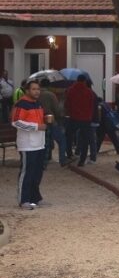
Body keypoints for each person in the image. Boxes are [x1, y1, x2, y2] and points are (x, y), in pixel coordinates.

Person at [12, 80, 48, 209]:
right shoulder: (21, 104)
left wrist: (45, 121)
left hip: (39, 142)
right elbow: (16, 122)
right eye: (34, 89)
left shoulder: (38, 104)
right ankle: (24, 199)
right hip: (27, 144)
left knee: (37, 172)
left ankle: (35, 198)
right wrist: (36, 127)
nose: (37, 91)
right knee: (27, 172)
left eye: (38, 89)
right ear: (27, 90)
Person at [64, 75, 97, 167]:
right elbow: (91, 106)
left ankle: (69, 154)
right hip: (86, 119)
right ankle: (82, 160)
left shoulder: (70, 90)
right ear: (85, 81)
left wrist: (70, 112)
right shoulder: (89, 92)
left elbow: (67, 104)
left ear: (76, 80)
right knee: (85, 140)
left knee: (68, 136)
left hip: (73, 117)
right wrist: (89, 116)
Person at [38, 79, 70, 167]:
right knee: (61, 140)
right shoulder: (50, 95)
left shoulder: (36, 94)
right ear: (49, 85)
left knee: (44, 142)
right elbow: (57, 109)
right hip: (50, 120)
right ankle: (62, 159)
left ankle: (44, 161)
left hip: (38, 120)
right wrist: (60, 116)